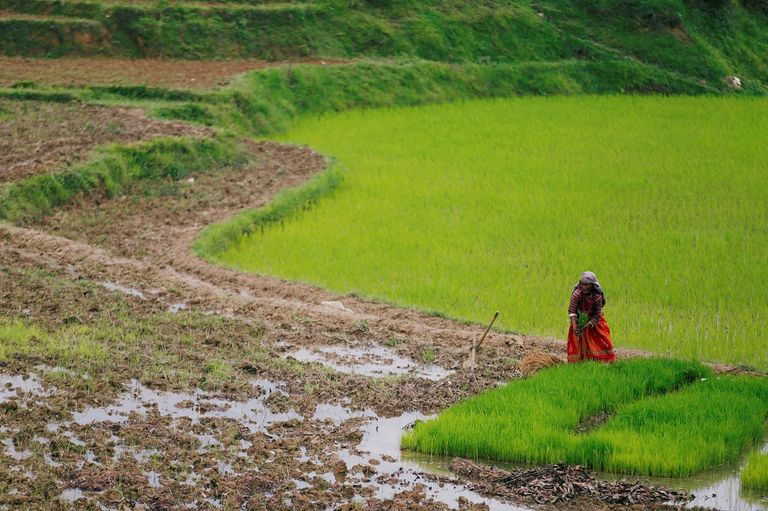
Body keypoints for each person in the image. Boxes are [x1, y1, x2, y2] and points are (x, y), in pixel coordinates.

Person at [567, 271, 615, 363]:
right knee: (577, 342)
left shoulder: (597, 296)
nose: (584, 287)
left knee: (602, 340)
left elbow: (598, 314)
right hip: (578, 320)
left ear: (593, 285)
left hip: (594, 321)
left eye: (587, 285)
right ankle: (579, 362)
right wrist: (575, 326)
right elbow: (572, 310)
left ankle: (602, 361)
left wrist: (587, 325)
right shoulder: (577, 294)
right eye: (582, 285)